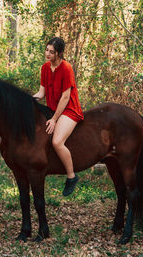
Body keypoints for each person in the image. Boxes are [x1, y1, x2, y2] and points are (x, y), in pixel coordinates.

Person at [33, 37, 84, 196]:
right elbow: (41, 92)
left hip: (69, 109)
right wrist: (28, 101)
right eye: (47, 50)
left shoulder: (66, 68)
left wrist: (54, 119)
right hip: (52, 108)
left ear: (59, 53)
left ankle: (71, 176)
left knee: (56, 141)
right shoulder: (45, 68)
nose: (47, 54)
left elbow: (65, 97)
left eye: (51, 52)